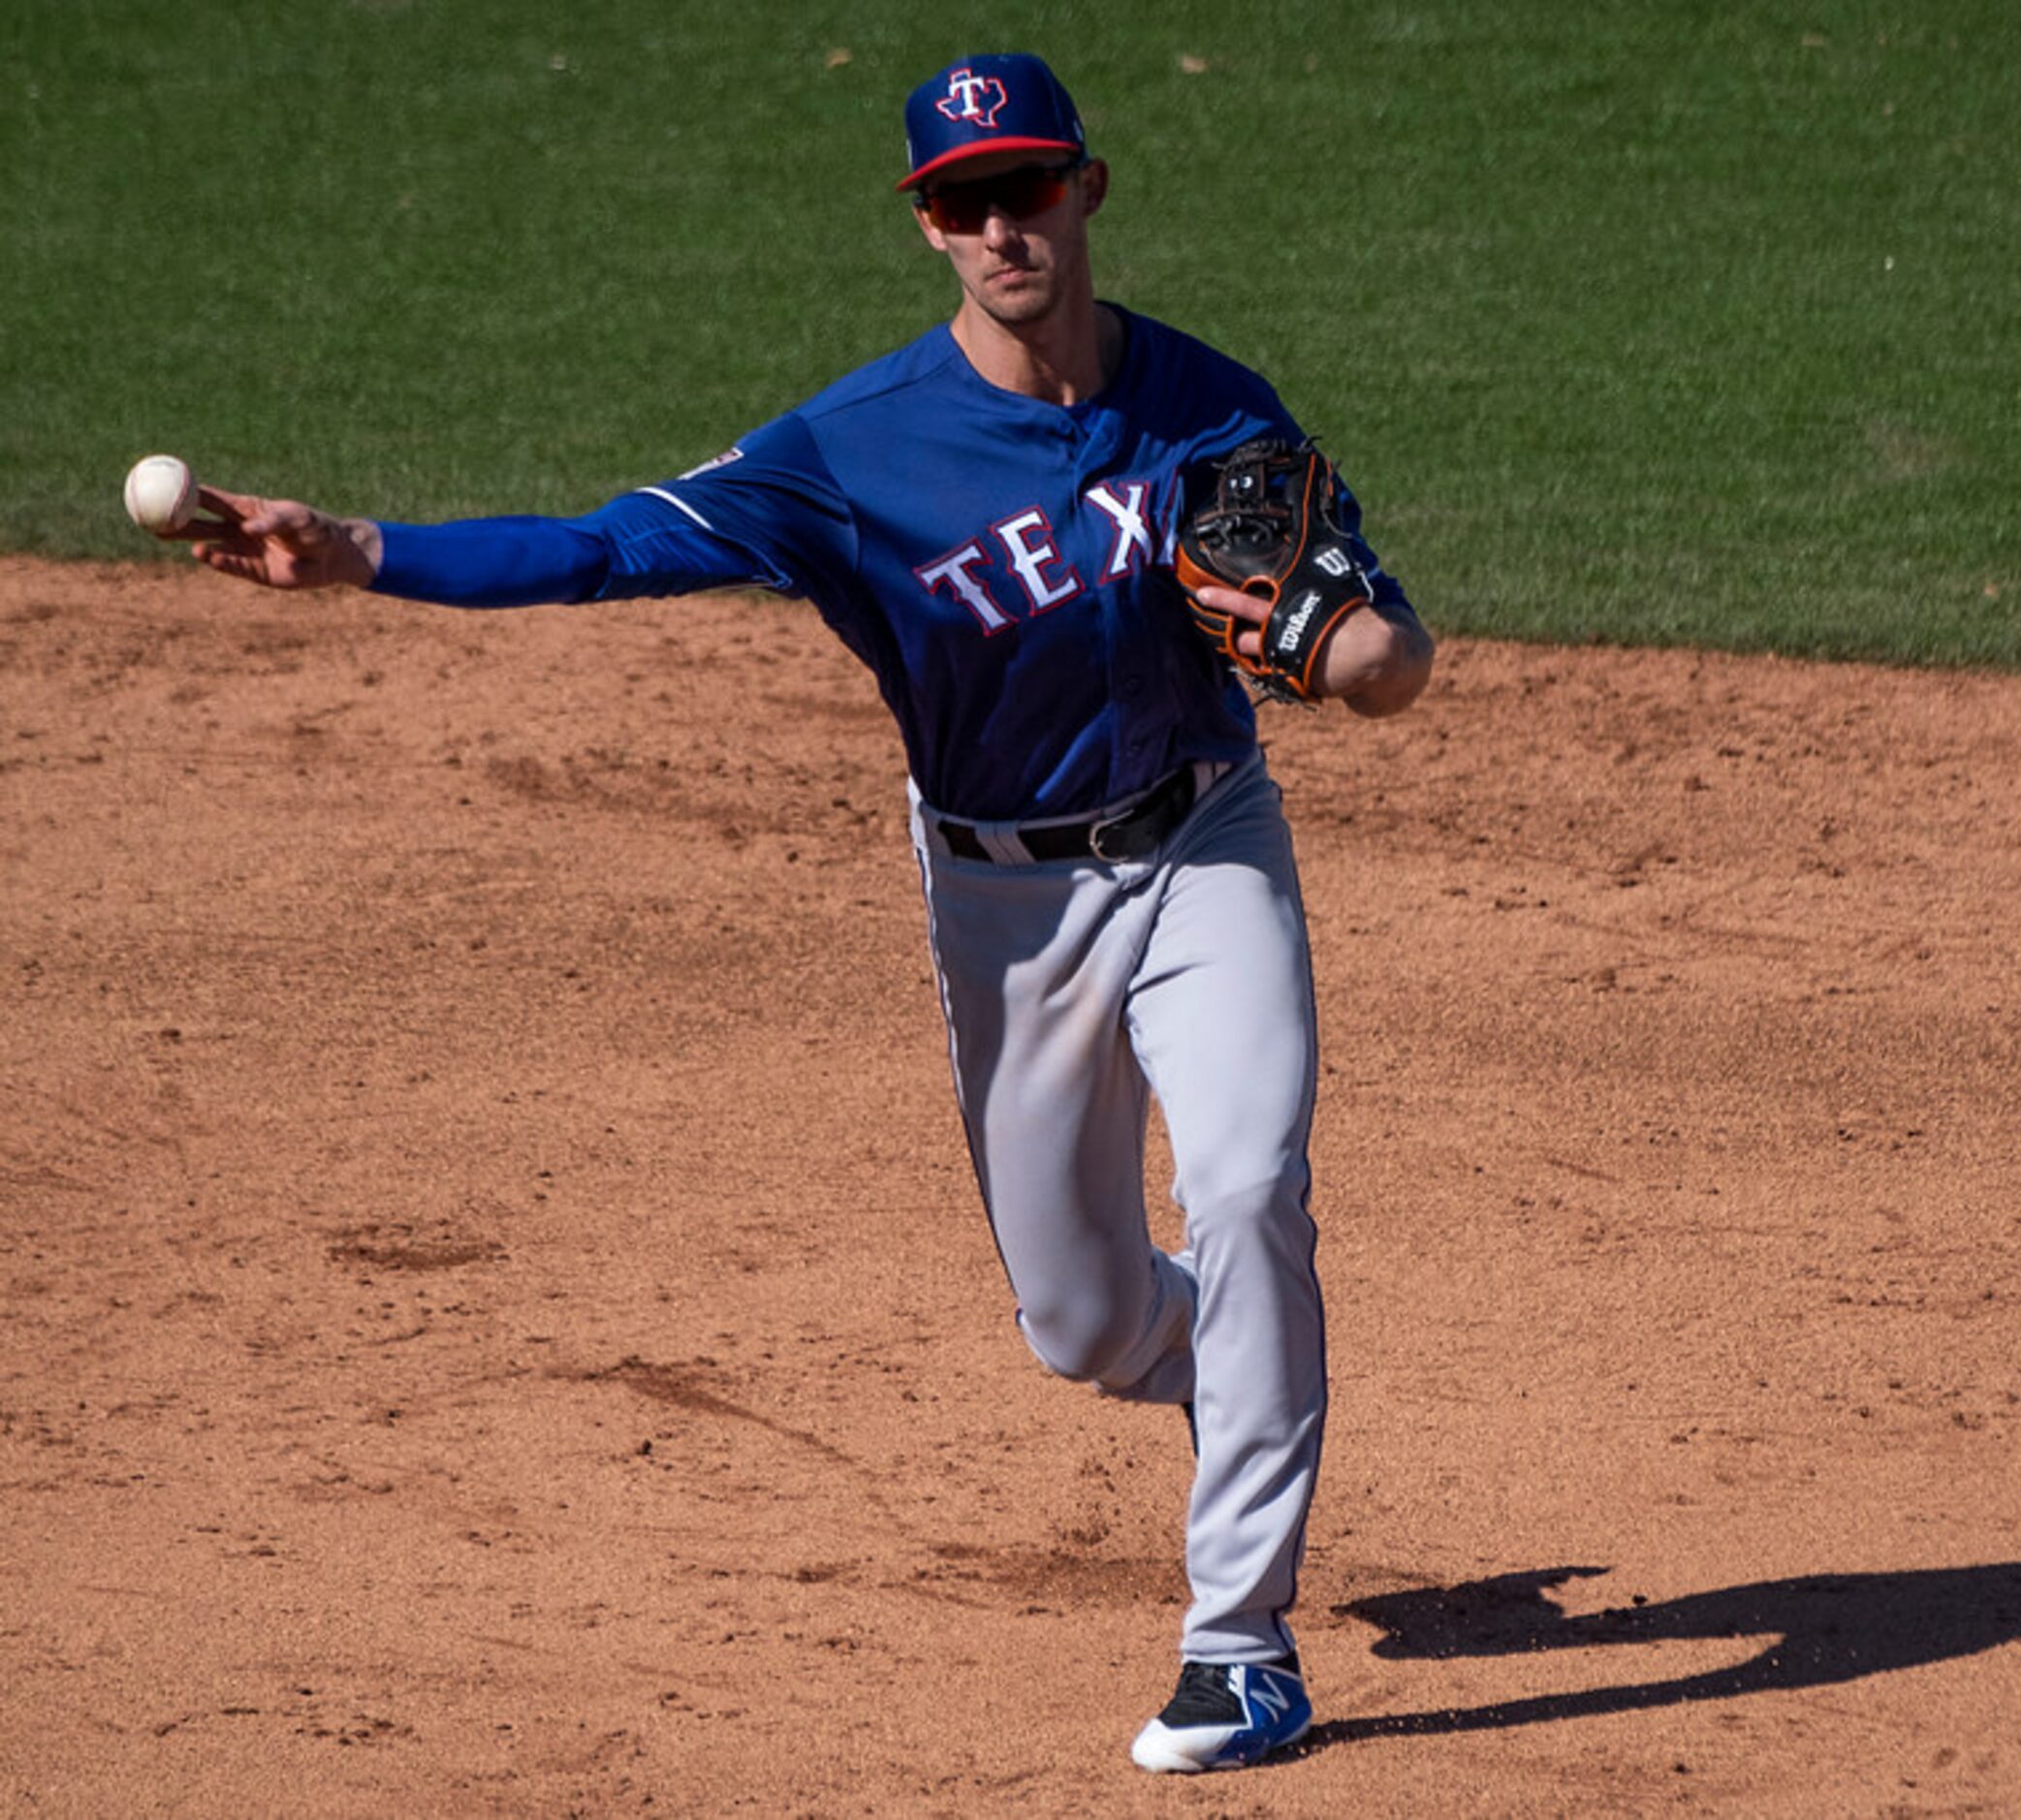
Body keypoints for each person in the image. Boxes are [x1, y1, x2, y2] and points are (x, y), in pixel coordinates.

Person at [183, 50, 1434, 1773]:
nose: (1004, 225)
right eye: (963, 200)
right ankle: (1240, 1376)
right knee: (1080, 1325)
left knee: (1245, 1184)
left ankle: (1241, 1647)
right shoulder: (857, 450)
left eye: (1031, 186)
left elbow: (1380, 650)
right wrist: (362, 550)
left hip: (1207, 843)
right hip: (1008, 900)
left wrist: (1369, 654)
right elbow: (605, 546)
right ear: (926, 227)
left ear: (1089, 188)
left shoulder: (1215, 409)